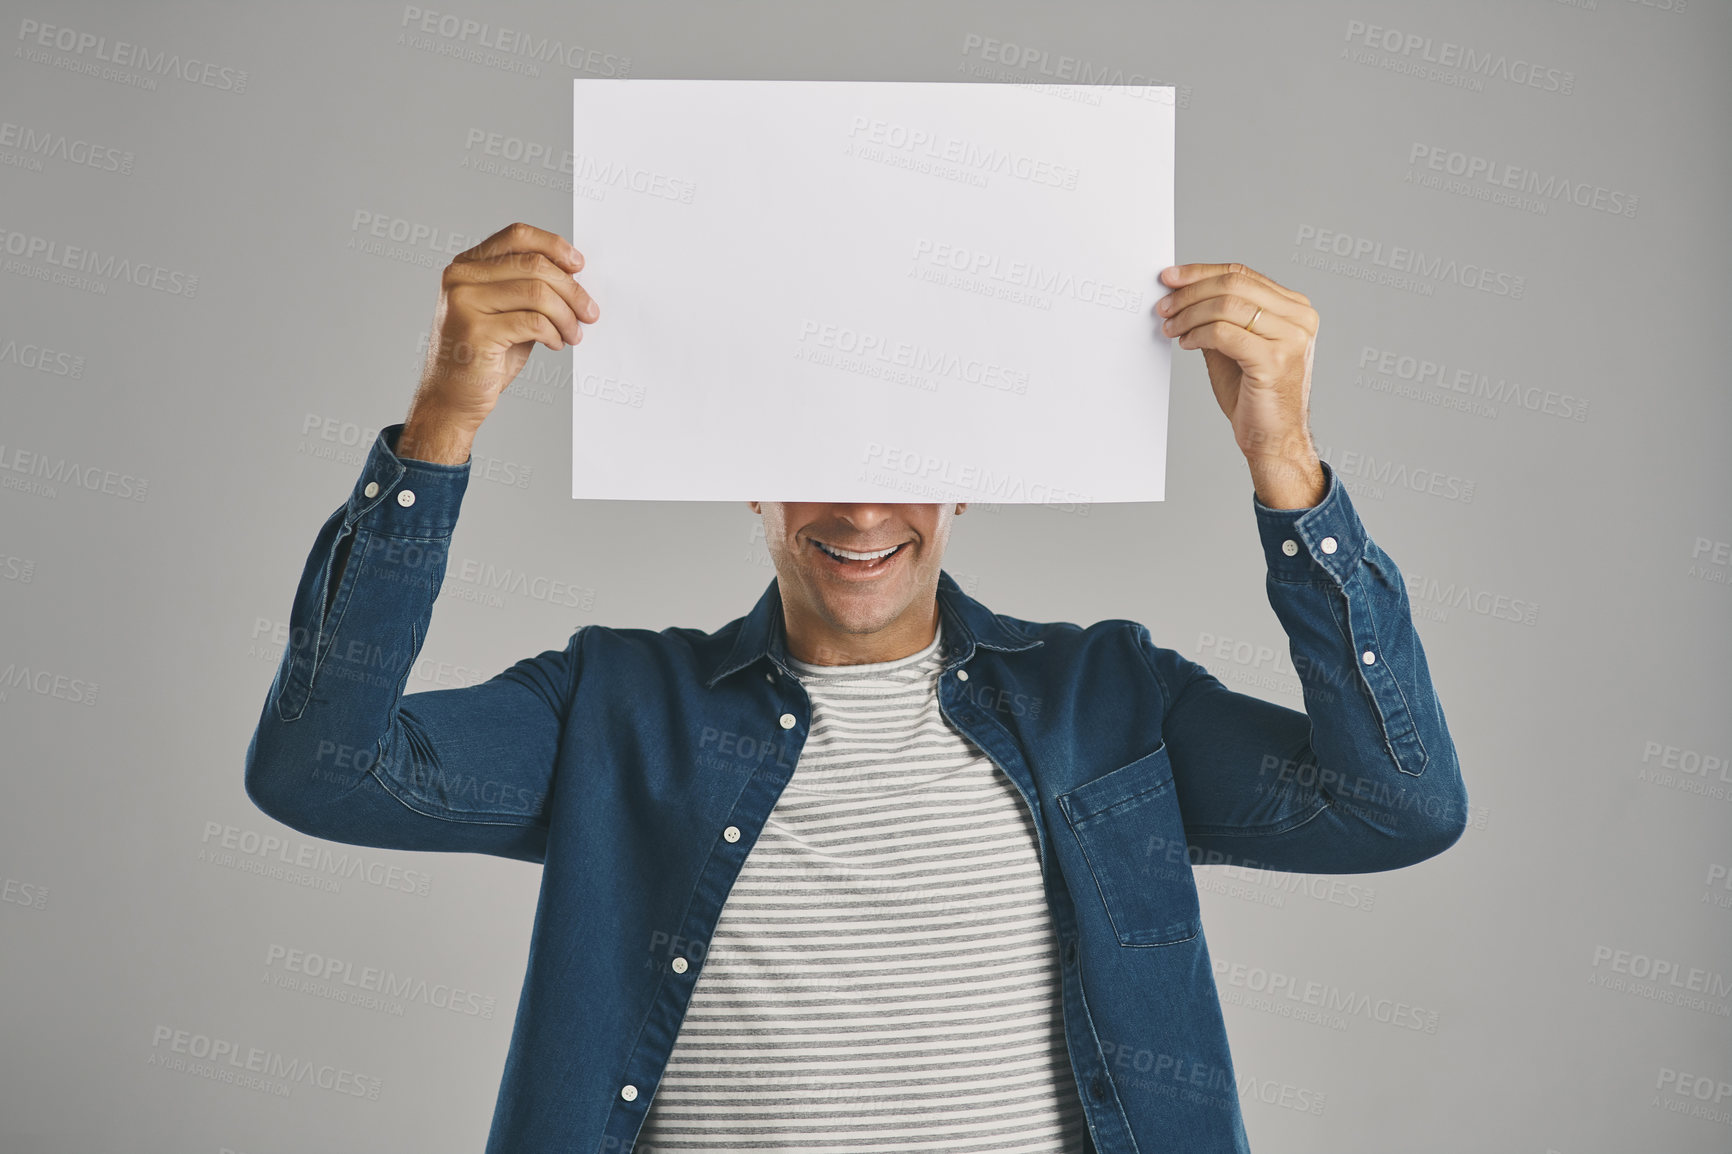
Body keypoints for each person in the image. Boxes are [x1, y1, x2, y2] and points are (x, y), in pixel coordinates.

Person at [245, 221, 1468, 1154]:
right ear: (745, 477)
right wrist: (443, 420)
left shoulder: (1110, 699)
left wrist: (1283, 464)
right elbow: (322, 769)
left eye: (907, 463)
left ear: (967, 482)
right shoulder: (614, 704)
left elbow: (1394, 806)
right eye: (812, 455)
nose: (862, 507)